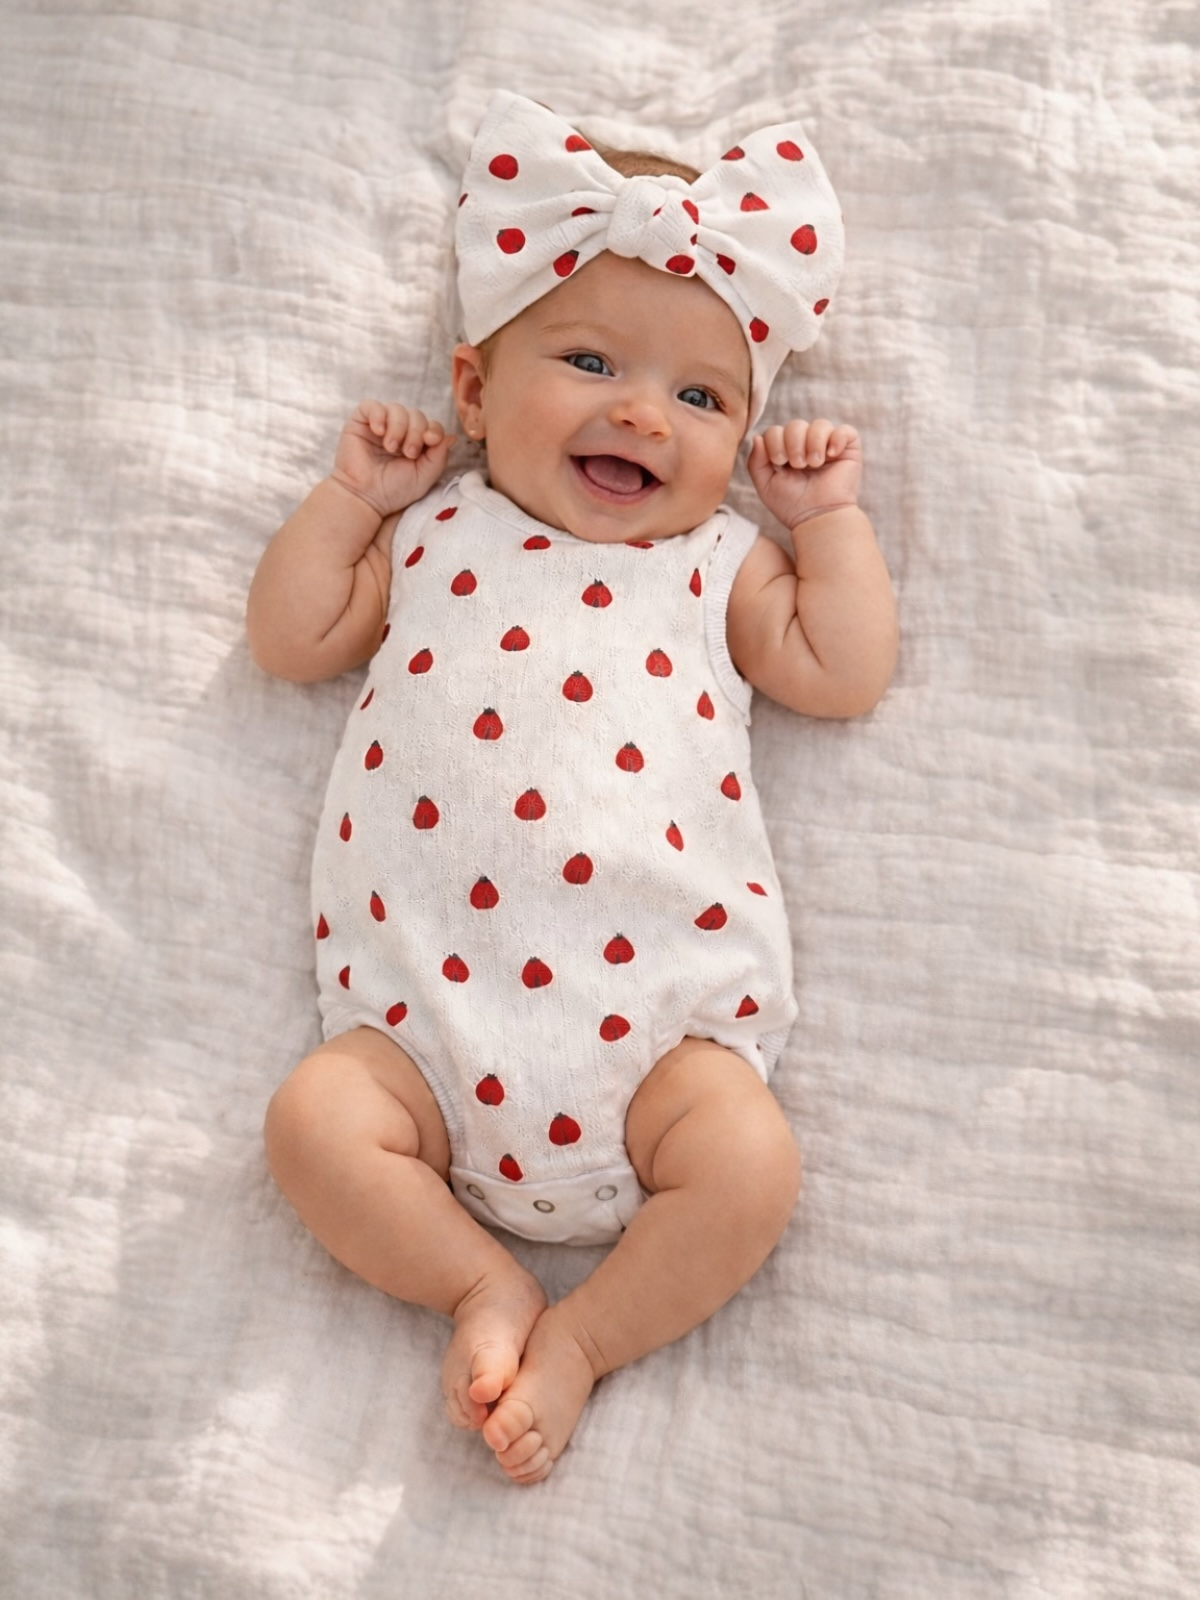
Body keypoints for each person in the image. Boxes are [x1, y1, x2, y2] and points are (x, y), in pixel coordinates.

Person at [247, 91, 897, 1485]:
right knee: (312, 1125)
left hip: (656, 1040)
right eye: (590, 358)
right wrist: (350, 501)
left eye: (700, 396)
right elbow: (290, 638)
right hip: (422, 1039)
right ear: (474, 390)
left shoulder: (718, 566)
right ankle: (477, 1284)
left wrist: (826, 525)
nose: (639, 413)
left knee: (750, 1168)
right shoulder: (433, 533)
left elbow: (839, 672)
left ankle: (588, 1335)